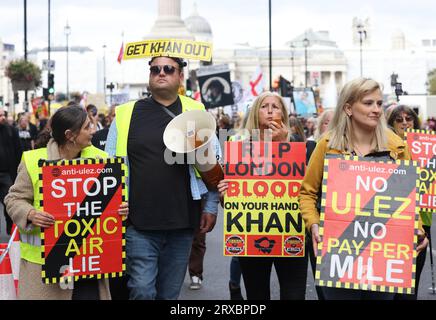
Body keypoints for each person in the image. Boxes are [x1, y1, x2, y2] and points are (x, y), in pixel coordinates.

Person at [299, 78, 428, 300]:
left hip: (383, 258)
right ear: (348, 108)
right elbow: (308, 192)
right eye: (368, 103)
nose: (376, 110)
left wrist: (417, 230)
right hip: (340, 254)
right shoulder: (327, 145)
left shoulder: (397, 146)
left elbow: (408, 200)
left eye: (379, 103)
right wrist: (314, 224)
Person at [105, 55, 220, 300]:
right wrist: (114, 204)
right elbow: (109, 167)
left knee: (168, 295)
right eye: (155, 69)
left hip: (183, 222)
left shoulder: (195, 111)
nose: (161, 73)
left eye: (169, 69)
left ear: (180, 76)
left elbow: (213, 162)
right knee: (142, 291)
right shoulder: (126, 114)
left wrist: (210, 206)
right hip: (138, 223)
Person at [4, 105, 128, 299]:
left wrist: (122, 207)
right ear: (70, 135)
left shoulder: (102, 160)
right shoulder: (33, 160)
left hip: (89, 265)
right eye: (87, 127)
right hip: (45, 268)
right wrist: (30, 214)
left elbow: (118, 201)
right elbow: (13, 199)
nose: (93, 131)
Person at [218, 91, 308, 300]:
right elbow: (230, 203)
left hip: (291, 232)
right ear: (255, 113)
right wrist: (225, 193)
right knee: (257, 296)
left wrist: (283, 143)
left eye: (275, 107)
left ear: (283, 113)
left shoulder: (302, 147)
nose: (269, 111)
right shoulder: (239, 148)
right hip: (254, 235)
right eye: (264, 106)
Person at [387, 105, 430, 300]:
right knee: (391, 281)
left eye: (408, 118)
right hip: (395, 219)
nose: (405, 122)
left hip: (422, 217)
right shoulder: (385, 145)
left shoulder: (429, 146)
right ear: (391, 124)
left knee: (412, 281)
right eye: (399, 119)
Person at [0, 108, 22, 235]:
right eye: (0, 115)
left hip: (7, 174)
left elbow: (18, 152)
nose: (2, 117)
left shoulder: (11, 131)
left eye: (3, 115)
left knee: (8, 203)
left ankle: (10, 226)